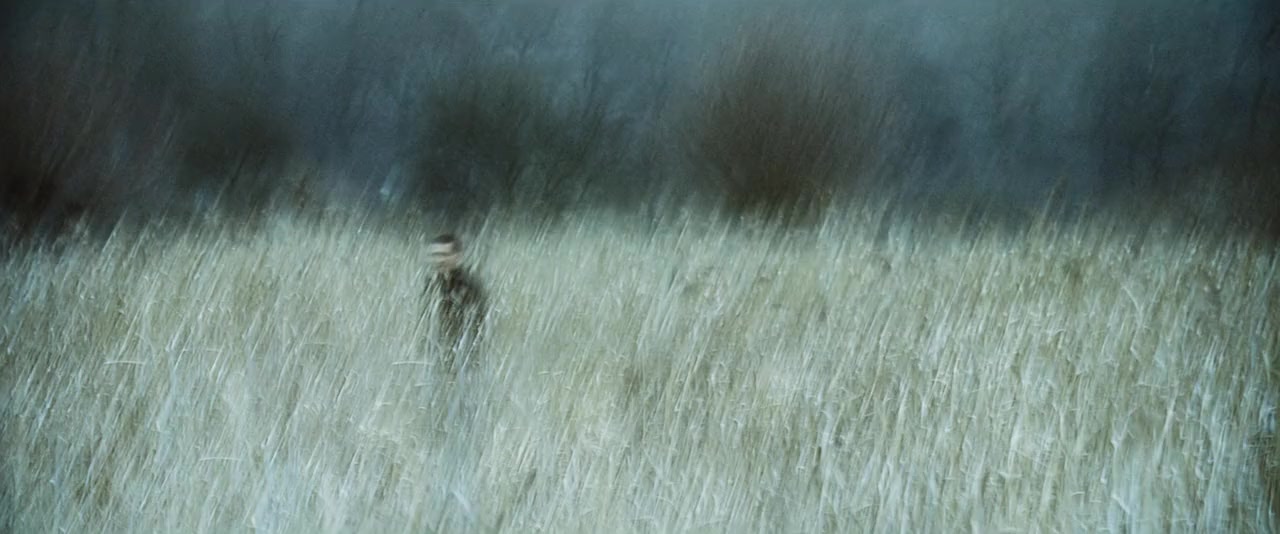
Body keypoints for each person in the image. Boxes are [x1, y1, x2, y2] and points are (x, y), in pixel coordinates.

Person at [423, 233, 488, 372]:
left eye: (444, 255)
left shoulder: (469, 285)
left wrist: (470, 358)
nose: (439, 260)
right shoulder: (430, 283)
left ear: (457, 256)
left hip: (464, 356)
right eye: (435, 255)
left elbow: (478, 325)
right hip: (437, 355)